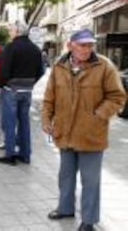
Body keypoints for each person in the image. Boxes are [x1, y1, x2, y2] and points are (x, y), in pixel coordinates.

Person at [42, 29, 126, 231]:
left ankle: (88, 220)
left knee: (90, 180)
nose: (87, 49)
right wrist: (46, 118)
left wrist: (98, 116)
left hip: (91, 134)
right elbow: (49, 97)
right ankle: (65, 208)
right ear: (71, 45)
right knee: (66, 175)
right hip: (64, 131)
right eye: (83, 45)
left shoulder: (104, 66)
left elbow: (117, 97)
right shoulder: (59, 66)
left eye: (90, 45)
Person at [0, 22, 44, 165]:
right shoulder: (36, 49)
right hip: (27, 90)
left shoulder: (11, 47)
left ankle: (10, 155)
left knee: (10, 122)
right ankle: (25, 154)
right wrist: (30, 83)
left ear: (17, 32)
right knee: (24, 122)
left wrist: (1, 84)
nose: (10, 32)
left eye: (11, 30)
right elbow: (41, 71)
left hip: (11, 89)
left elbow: (4, 70)